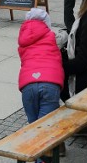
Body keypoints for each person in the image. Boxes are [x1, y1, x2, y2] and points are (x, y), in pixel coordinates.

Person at [18, 8, 68, 161]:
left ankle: (40, 156)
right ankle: (43, 159)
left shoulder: (22, 41)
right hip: (50, 84)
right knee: (45, 128)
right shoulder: (53, 36)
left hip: (28, 85)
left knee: (35, 126)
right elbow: (65, 35)